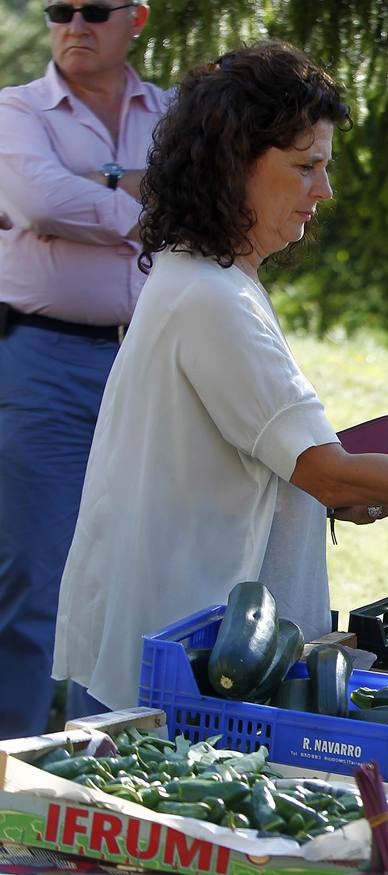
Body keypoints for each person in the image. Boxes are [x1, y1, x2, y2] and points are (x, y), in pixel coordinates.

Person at [53, 41, 388, 717]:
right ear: (232, 165)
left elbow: (278, 470)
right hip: (180, 665)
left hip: (176, 645)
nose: (324, 189)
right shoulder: (213, 299)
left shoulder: (206, 279)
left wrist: (331, 494)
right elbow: (331, 472)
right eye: (306, 166)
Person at [0, 0, 169, 739]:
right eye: (58, 10)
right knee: (32, 573)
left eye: (93, 10)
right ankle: (11, 769)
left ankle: (107, 760)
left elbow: (208, 201)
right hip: (42, 357)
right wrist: (133, 188)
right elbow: (36, 198)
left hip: (153, 361)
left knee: (137, 569)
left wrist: (90, 189)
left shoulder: (173, 113)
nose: (74, 24)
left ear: (134, 17)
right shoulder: (16, 108)